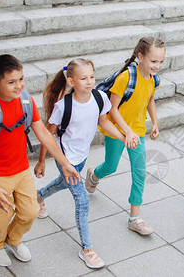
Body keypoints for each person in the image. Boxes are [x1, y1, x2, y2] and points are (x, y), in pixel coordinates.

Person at [0, 54, 80, 267]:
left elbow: (43, 133)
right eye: (11, 82)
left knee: (30, 212)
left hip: (21, 169)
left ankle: (13, 240)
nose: (19, 86)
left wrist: (65, 164)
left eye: (21, 79)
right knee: (1, 217)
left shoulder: (26, 100)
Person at [34, 58, 127, 269]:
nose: (89, 82)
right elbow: (47, 136)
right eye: (83, 78)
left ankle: (38, 197)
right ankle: (87, 249)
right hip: (64, 159)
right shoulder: (63, 106)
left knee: (63, 183)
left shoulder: (99, 97)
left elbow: (103, 122)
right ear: (71, 81)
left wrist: (123, 138)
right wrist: (42, 161)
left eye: (92, 77)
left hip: (81, 157)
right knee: (82, 200)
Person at [85, 37, 165, 235]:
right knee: (110, 166)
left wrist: (154, 122)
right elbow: (112, 109)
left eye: (161, 61)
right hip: (117, 130)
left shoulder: (154, 80)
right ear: (140, 57)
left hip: (137, 132)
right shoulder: (126, 78)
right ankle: (94, 175)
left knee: (139, 172)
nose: (157, 65)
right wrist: (126, 131)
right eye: (154, 61)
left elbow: (150, 100)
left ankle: (134, 218)